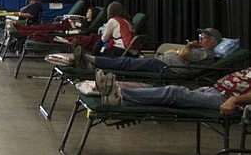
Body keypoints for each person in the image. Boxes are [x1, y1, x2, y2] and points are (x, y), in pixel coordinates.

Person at [94, 64, 251, 113]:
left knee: (174, 92)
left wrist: (234, 99)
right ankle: (117, 96)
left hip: (227, 100)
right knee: (167, 92)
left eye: (205, 37)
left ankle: (119, 94)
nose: (201, 39)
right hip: (216, 91)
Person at [75, 28, 222, 74]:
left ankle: (94, 61)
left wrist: (190, 44)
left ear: (213, 42)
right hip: (164, 63)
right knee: (128, 63)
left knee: (128, 63)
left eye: (203, 37)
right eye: (200, 36)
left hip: (169, 69)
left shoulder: (207, 53)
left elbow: (183, 53)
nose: (200, 39)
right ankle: (93, 64)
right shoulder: (201, 50)